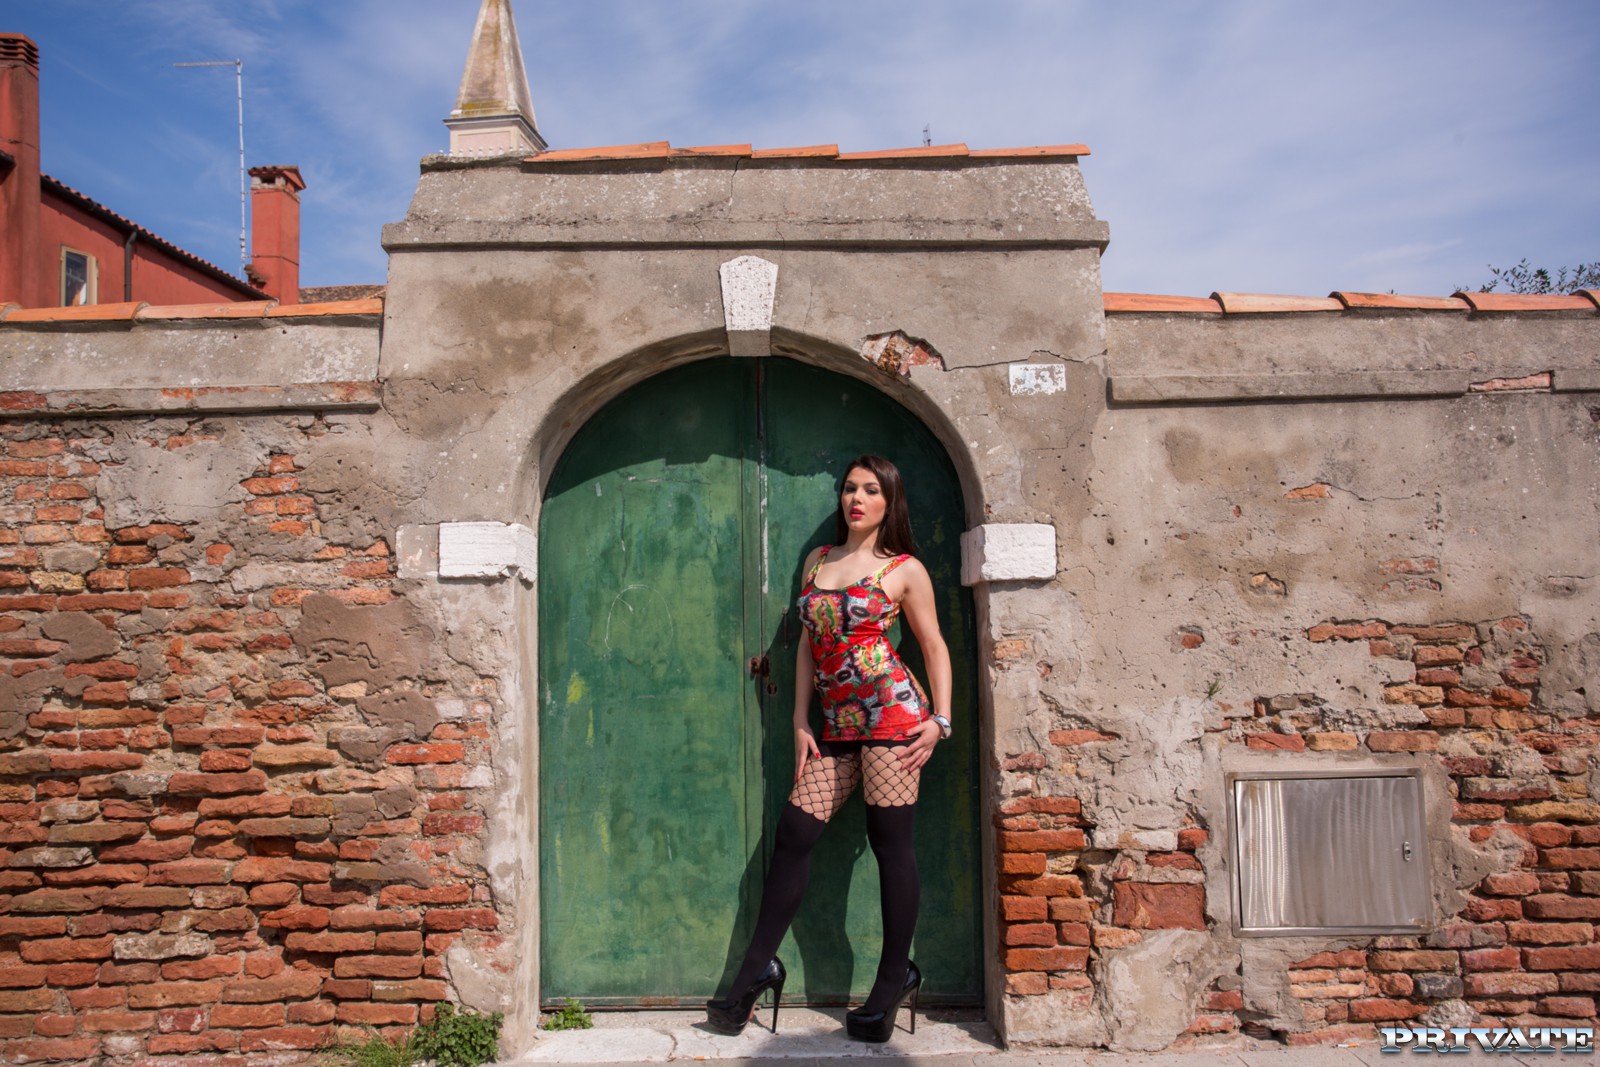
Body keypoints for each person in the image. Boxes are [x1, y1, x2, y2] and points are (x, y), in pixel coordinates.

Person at [706, 454, 954, 1043]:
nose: (856, 499)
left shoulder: (905, 569)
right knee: (795, 834)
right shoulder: (818, 561)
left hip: (894, 718)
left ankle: (893, 980)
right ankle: (755, 971)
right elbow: (806, 644)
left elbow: (933, 645)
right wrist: (800, 719)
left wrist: (940, 721)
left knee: (890, 845)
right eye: (849, 489)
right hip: (837, 723)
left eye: (870, 490)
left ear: (889, 502)